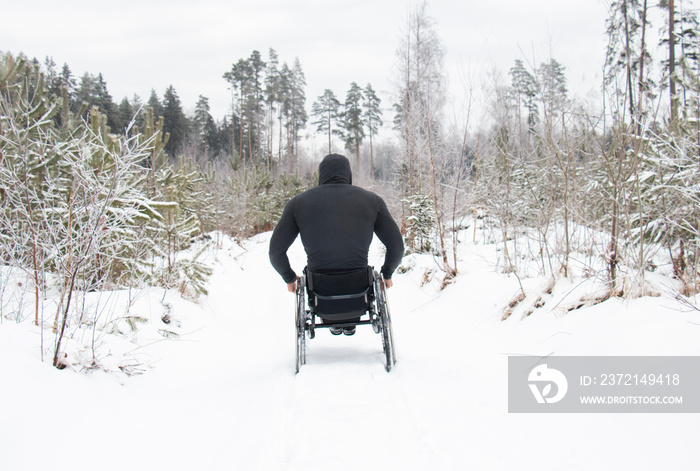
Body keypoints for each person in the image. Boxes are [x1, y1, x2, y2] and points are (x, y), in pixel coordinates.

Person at [269, 153, 404, 335]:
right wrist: (387, 273)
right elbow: (396, 246)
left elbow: (276, 252)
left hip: (319, 291)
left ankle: (333, 321)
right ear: (348, 174)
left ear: (321, 174)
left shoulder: (298, 203)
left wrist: (289, 278)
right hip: (360, 289)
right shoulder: (372, 201)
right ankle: (350, 322)